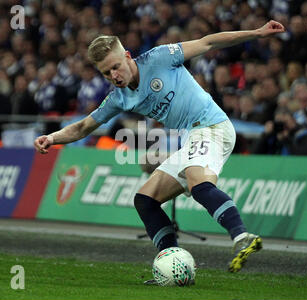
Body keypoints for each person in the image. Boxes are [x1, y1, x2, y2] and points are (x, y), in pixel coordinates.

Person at [34, 20, 286, 275]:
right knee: (145, 199)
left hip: (212, 126)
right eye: (106, 73)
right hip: (192, 137)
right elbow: (83, 127)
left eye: (116, 67)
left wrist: (256, 33)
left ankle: (241, 236)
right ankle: (173, 261)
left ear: (128, 56)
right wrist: (52, 138)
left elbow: (208, 42)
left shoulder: (160, 58)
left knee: (196, 180)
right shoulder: (119, 98)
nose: (114, 76)